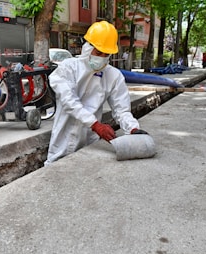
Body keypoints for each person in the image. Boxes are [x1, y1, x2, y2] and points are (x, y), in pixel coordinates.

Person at [44, 21, 147, 166]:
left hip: (90, 141)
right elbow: (69, 101)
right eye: (98, 52)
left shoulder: (113, 76)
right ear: (87, 48)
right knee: (55, 171)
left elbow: (121, 110)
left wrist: (132, 128)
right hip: (63, 138)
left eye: (106, 54)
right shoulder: (68, 68)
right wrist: (96, 125)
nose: (101, 58)